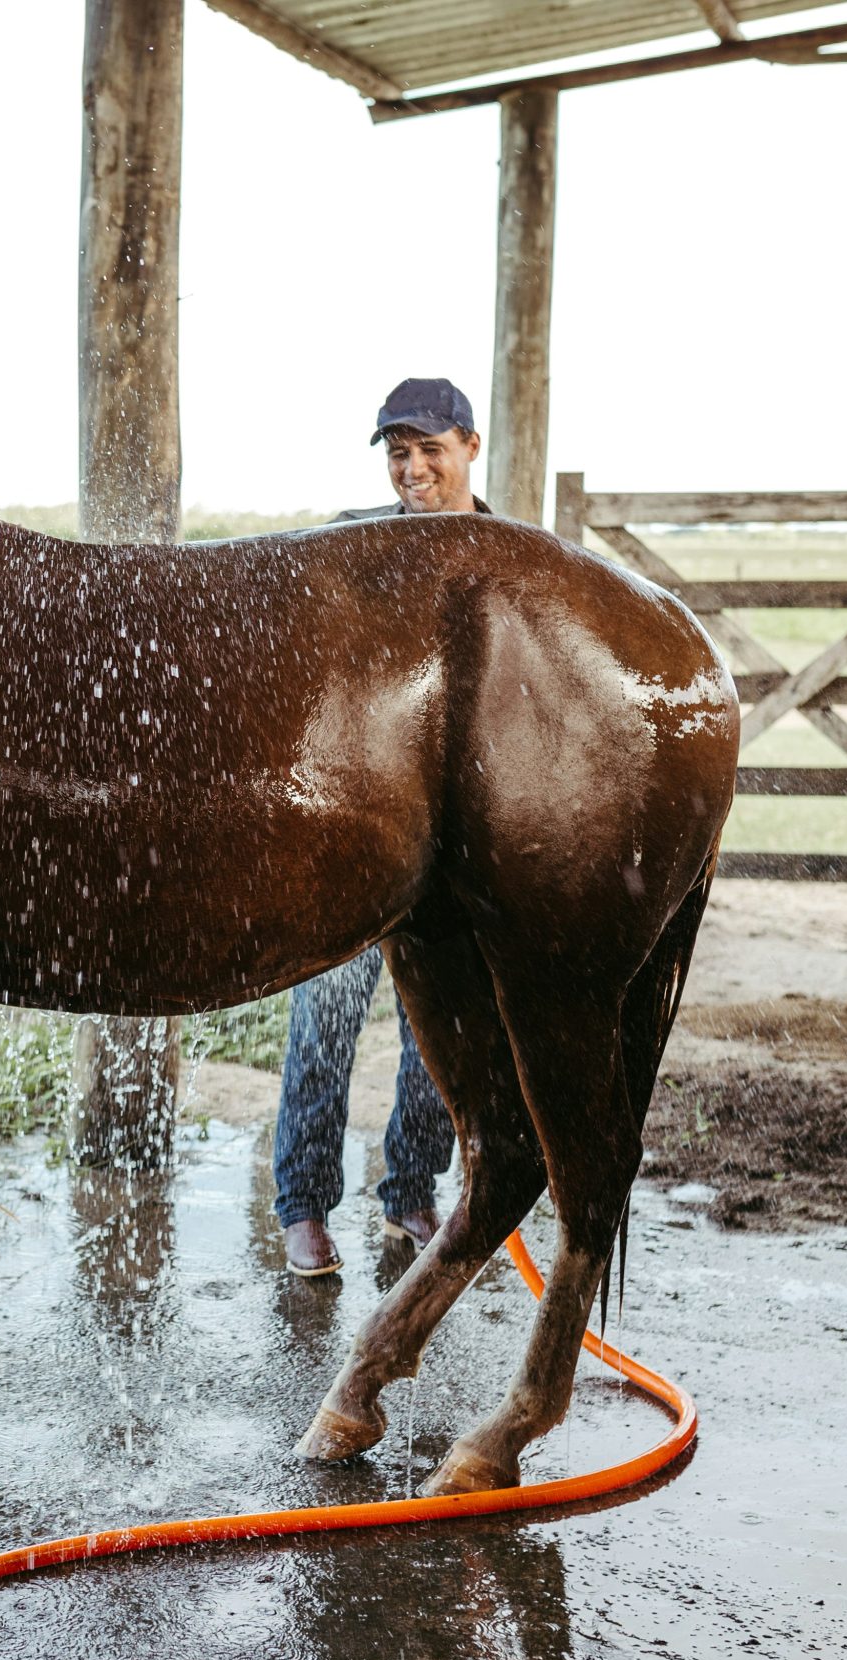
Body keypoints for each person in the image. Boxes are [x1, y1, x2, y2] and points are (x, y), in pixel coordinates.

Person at [274, 376, 491, 1279]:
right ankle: (302, 1205)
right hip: (354, 836)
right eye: (398, 452)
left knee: (440, 1033)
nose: (411, 468)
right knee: (323, 1018)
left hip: (459, 845)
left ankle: (410, 1189)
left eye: (428, 450)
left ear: (470, 448)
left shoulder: (511, 557)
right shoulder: (348, 545)